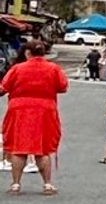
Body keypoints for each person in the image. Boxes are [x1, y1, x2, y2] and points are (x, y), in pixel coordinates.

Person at [2, 39, 69, 194]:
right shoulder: (53, 68)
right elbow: (62, 87)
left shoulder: (17, 68)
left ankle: (16, 184)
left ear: (27, 53)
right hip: (45, 111)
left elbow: (4, 87)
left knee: (19, 148)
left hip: (19, 110)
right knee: (43, 148)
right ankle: (47, 184)